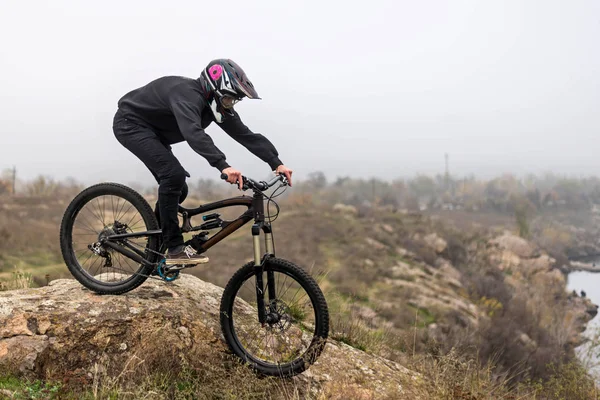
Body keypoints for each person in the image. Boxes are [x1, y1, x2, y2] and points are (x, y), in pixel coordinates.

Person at [112, 59, 293, 265]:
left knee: (179, 189)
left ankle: (156, 239)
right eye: (228, 99)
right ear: (213, 89)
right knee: (173, 175)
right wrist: (222, 165)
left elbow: (245, 135)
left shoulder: (214, 105)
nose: (230, 104)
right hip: (131, 125)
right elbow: (193, 133)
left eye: (233, 101)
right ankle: (174, 248)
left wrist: (276, 163)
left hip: (155, 132)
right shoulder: (187, 95)